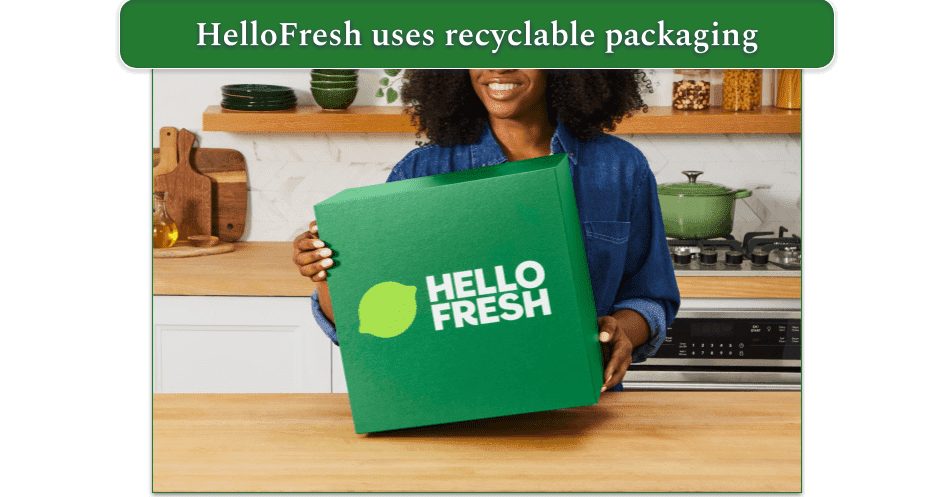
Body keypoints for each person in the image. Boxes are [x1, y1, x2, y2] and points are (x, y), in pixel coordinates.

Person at [293, 69, 680, 392]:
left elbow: (650, 296)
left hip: (581, 407)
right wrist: (328, 272)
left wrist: (622, 332)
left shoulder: (621, 169)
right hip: (450, 408)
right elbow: (369, 328)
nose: (499, 66)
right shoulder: (421, 171)